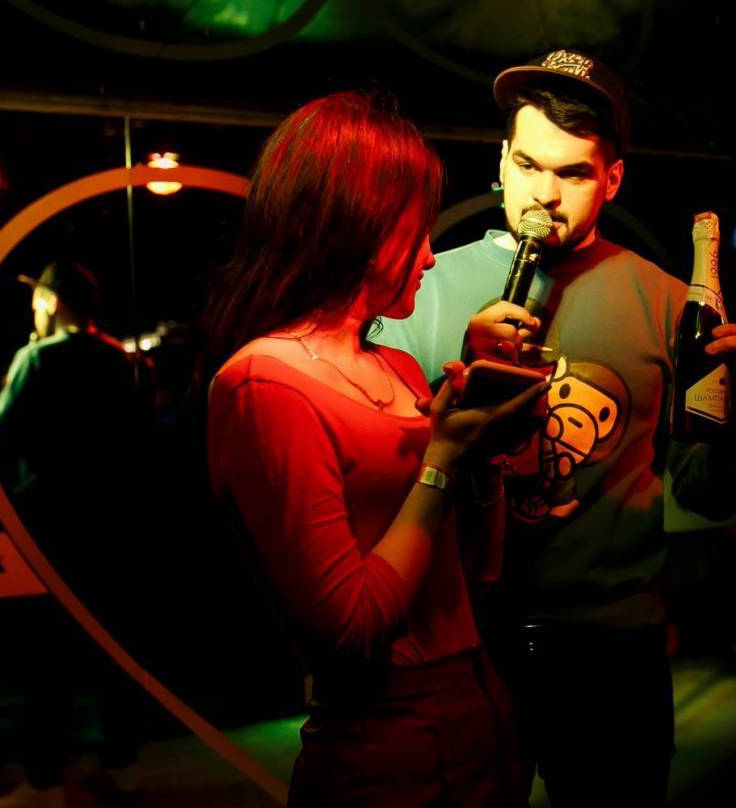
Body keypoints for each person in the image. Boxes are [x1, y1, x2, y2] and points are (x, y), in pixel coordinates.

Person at [374, 50, 736, 805]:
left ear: (612, 180)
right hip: (461, 644)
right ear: (501, 161)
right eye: (528, 165)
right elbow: (380, 474)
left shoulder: (666, 302)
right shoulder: (422, 288)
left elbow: (708, 496)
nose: (544, 195)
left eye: (573, 174)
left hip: (612, 648)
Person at [204, 91, 541, 807]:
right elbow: (351, 635)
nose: (429, 256)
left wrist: (484, 453)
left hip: (484, 712)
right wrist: (441, 462)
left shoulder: (398, 366)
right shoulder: (264, 384)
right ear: (356, 226)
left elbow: (478, 574)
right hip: (386, 747)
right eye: (416, 233)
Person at [0, 260, 148, 808]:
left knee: (47, 654)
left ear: (51, 301)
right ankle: (122, 761)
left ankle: (44, 780)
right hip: (113, 522)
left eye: (37, 301)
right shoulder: (118, 358)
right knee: (114, 646)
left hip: (51, 522)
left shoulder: (36, 358)